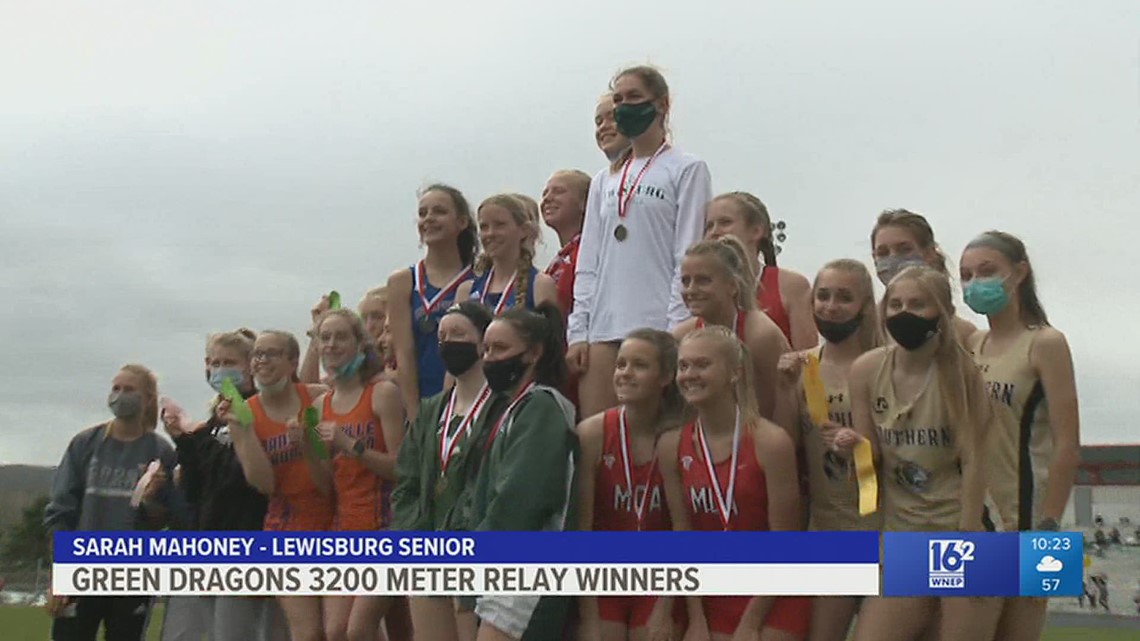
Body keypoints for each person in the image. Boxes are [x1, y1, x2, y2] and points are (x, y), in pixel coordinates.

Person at [841, 266, 997, 641]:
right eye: (895, 304)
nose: (903, 313)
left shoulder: (961, 372)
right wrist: (852, 448)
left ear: (941, 312)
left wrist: (969, 535)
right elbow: (870, 461)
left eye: (917, 304)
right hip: (904, 533)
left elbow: (976, 458)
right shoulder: (866, 369)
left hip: (959, 529)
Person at [569, 65, 713, 422]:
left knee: (659, 434)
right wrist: (578, 330)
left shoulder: (686, 168)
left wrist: (676, 325)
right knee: (598, 437)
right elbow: (589, 259)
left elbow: (688, 252)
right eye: (618, 100)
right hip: (604, 326)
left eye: (634, 97)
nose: (624, 107)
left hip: (658, 324)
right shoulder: (604, 180)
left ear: (661, 104)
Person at [959, 231, 1081, 641]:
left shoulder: (1045, 342)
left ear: (1020, 272)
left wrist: (1048, 525)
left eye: (987, 271)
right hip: (976, 519)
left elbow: (1067, 443)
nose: (976, 282)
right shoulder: (973, 344)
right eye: (967, 275)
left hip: (1028, 521)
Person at [658, 327, 809, 640]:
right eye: (683, 366)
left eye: (702, 365)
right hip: (709, 592)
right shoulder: (671, 445)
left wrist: (751, 622)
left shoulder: (771, 442)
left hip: (771, 593)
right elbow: (681, 535)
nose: (689, 375)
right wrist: (696, 618)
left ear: (734, 373)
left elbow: (786, 544)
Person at [391, 301, 506, 641]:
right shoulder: (430, 411)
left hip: (477, 551)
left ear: (484, 342)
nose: (448, 342)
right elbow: (406, 481)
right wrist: (413, 536)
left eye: (459, 334)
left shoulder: (503, 405)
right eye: (442, 336)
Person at [782, 259, 883, 641]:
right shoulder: (804, 367)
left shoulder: (886, 365)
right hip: (830, 531)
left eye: (844, 297)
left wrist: (863, 447)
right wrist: (782, 387)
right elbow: (786, 445)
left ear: (866, 306)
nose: (831, 305)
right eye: (823, 296)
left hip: (887, 528)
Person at [44, 364, 181, 641]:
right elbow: (61, 511)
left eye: (128, 389)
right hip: (81, 570)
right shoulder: (85, 444)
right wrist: (62, 571)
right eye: (116, 388)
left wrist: (151, 500)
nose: (119, 395)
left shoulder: (161, 451)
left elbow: (163, 520)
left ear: (147, 399)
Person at [468, 303, 578, 641]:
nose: (489, 359)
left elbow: (522, 497)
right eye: (485, 349)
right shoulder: (514, 407)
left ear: (533, 354)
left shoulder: (542, 407)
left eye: (500, 349)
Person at [164, 329, 282, 641]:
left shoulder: (258, 410)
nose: (219, 369)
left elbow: (240, 478)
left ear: (249, 366)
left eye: (228, 362)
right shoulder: (216, 419)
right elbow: (196, 489)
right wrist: (183, 442)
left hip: (247, 540)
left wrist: (196, 437)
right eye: (213, 362)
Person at [576, 329, 686, 641]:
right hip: (604, 579)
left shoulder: (680, 437)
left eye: (639, 365)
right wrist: (588, 616)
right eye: (620, 364)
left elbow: (683, 529)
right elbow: (581, 529)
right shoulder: (592, 434)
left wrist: (665, 609)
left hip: (660, 579)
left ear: (665, 377)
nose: (625, 373)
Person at [228, 330, 333, 641]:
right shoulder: (245, 414)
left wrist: (308, 441)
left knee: (339, 628)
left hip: (333, 520)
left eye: (271, 353)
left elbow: (328, 479)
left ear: (292, 362)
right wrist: (246, 433)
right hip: (285, 527)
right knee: (308, 632)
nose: (261, 360)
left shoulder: (316, 397)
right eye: (257, 354)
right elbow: (265, 484)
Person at [313, 309, 406, 641]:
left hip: (387, 525)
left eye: (341, 337)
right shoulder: (322, 404)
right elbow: (326, 482)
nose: (332, 345)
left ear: (359, 344)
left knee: (358, 630)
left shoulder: (381, 393)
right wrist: (308, 450)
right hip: (344, 526)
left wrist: (351, 445)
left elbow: (401, 468)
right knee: (335, 631)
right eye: (325, 337)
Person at [672, 236, 791, 425]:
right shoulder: (680, 336)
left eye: (703, 280)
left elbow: (773, 414)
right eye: (686, 281)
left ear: (732, 286)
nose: (691, 290)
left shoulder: (760, 335)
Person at [387, 184, 479, 418]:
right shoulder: (403, 281)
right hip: (422, 402)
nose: (428, 219)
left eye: (439, 211)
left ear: (462, 222)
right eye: (422, 213)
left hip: (468, 403)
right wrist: (414, 414)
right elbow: (404, 353)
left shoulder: (478, 279)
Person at [704, 192, 816, 350]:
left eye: (725, 222)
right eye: (709, 226)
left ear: (756, 231)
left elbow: (808, 359)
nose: (714, 232)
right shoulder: (699, 287)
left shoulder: (791, 285)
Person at [870, 209, 976, 343]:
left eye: (904, 249)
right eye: (883, 253)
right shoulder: (864, 328)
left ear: (929, 253)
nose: (893, 258)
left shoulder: (963, 333)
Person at [542, 169, 594, 414]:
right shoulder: (557, 260)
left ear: (586, 203)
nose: (548, 198)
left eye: (559, 191)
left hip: (583, 366)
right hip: (559, 371)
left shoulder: (591, 252)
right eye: (545, 193)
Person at [457, 194, 558, 314]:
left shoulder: (540, 285)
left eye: (500, 225)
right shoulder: (466, 290)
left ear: (523, 230)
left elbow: (553, 332)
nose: (490, 233)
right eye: (484, 227)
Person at [302, 286, 394, 384]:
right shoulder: (358, 364)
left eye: (377, 317)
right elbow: (307, 391)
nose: (368, 326)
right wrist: (318, 328)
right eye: (363, 318)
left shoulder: (404, 365)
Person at [595, 92, 631, 163]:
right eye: (599, 122)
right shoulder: (603, 174)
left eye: (613, 118)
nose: (603, 126)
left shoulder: (656, 168)